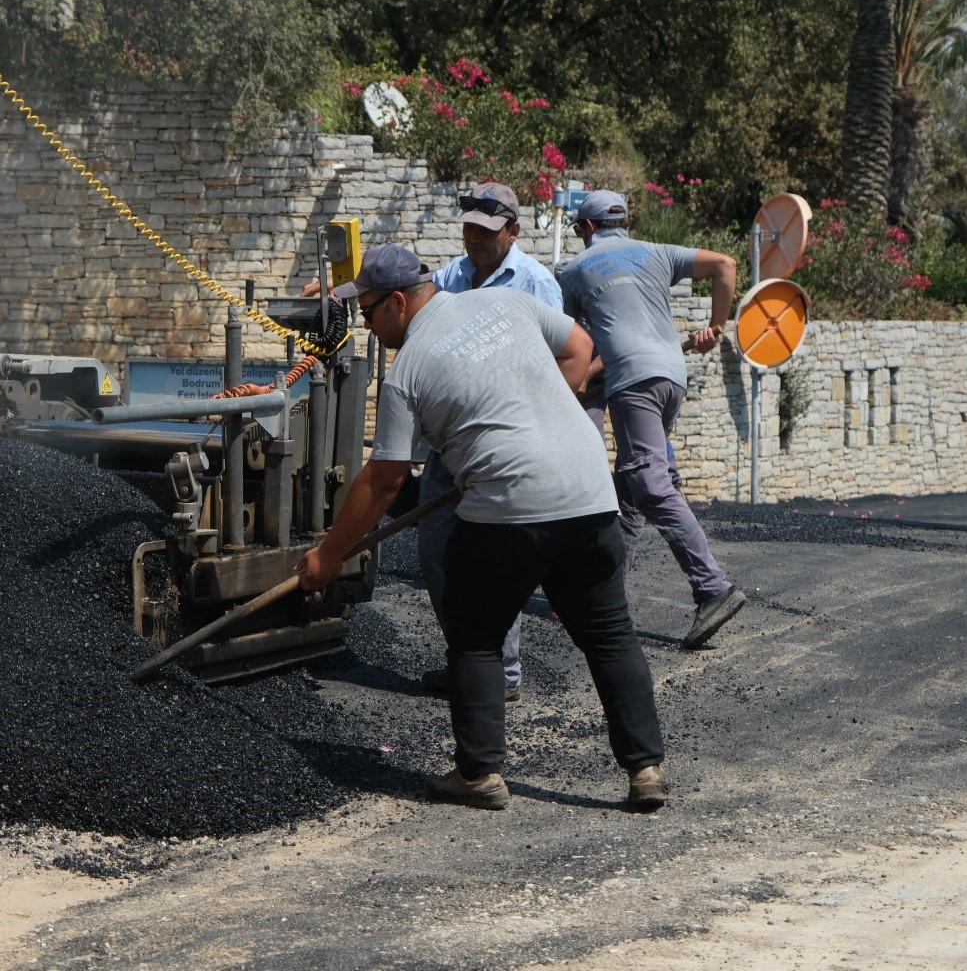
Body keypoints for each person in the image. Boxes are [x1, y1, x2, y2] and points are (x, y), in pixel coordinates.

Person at [295, 242, 668, 811]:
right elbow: (581, 346)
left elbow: (384, 482)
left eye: (368, 313)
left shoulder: (407, 371)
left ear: (398, 303)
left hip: (509, 510)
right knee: (609, 632)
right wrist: (540, 421)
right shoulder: (507, 302)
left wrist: (326, 558)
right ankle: (645, 770)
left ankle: (478, 774)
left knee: (474, 633)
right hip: (588, 491)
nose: (367, 326)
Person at [302, 182, 564, 703]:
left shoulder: (536, 284)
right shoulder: (452, 276)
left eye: (484, 231)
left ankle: (499, 670)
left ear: (513, 229)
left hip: (504, 443)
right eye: (467, 227)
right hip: (451, 443)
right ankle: (471, 656)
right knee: (438, 547)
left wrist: (329, 553)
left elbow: (563, 356)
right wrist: (336, 291)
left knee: (492, 558)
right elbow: (400, 289)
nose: (472, 238)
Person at [558, 189, 746, 650]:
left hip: (634, 384)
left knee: (647, 481)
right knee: (629, 495)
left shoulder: (575, 270)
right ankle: (608, 595)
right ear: (624, 222)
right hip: (670, 379)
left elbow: (573, 349)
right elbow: (725, 265)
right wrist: (716, 326)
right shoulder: (656, 252)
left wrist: (575, 387)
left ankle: (712, 587)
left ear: (586, 229)